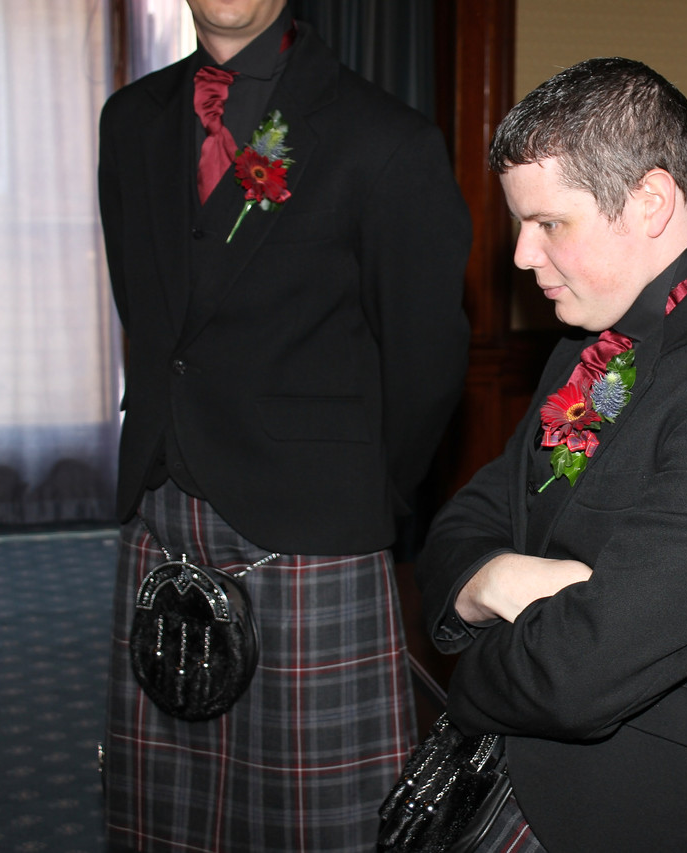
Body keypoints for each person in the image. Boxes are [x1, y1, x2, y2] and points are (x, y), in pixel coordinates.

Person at [414, 57, 687, 852]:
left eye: (549, 223)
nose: (522, 255)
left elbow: (575, 674)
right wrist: (497, 579)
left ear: (651, 201)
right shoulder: (592, 341)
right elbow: (466, 519)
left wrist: (469, 662)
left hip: (650, 816)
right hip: (531, 786)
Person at [96, 0, 471, 849]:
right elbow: (148, 312)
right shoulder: (131, 121)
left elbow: (426, 362)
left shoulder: (387, 140)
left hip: (312, 541)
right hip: (162, 516)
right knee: (166, 822)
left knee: (318, 827)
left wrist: (355, 497)